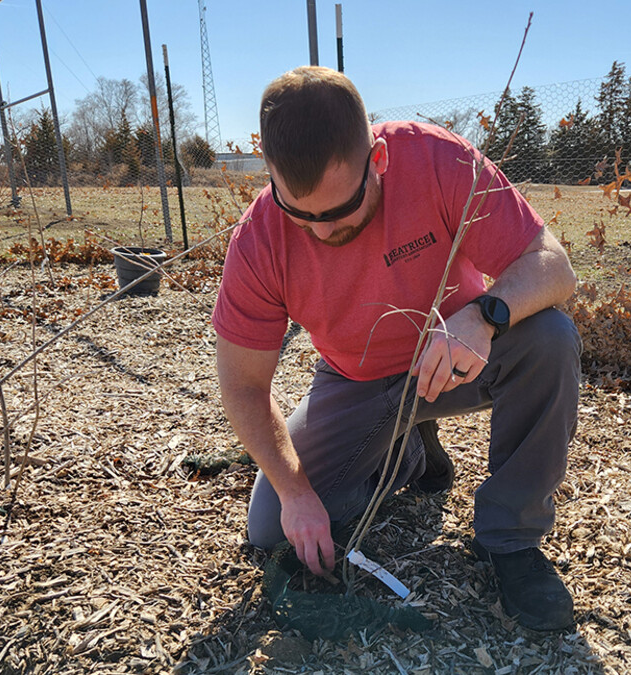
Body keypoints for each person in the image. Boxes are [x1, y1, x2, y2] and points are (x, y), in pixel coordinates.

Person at [213, 66, 581, 631]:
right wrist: (295, 492)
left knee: (551, 338)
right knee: (270, 527)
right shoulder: (259, 238)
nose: (319, 232)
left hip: (461, 356)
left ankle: (511, 537)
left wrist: (485, 314)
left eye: (338, 211)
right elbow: (241, 385)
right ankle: (406, 451)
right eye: (299, 212)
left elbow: (553, 267)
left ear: (377, 161)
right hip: (357, 381)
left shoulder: (436, 161)